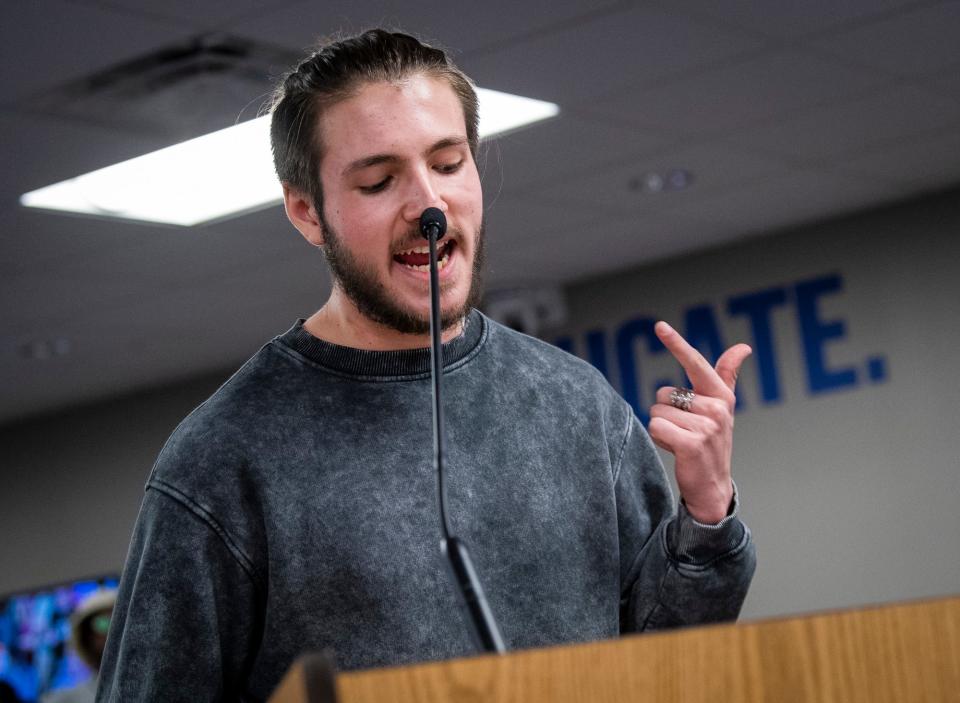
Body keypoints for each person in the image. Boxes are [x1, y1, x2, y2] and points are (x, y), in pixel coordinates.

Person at [97, 29, 756, 702]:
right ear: (307, 212)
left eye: (447, 164)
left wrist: (705, 513)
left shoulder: (576, 403)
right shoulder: (224, 457)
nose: (429, 207)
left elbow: (664, 664)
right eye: (380, 181)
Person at [43, 590, 115, 703]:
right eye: (103, 623)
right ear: (89, 637)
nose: (113, 630)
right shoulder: (65, 699)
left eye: (121, 621)